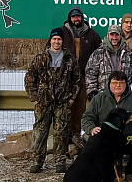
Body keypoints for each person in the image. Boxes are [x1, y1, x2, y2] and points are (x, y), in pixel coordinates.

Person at [25, 28, 81, 174]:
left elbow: (77, 80)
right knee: (40, 132)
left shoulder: (69, 59)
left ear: (62, 41)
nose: (57, 42)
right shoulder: (40, 58)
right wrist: (35, 98)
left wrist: (72, 98)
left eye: (59, 39)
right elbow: (30, 78)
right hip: (43, 102)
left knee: (61, 132)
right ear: (50, 40)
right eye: (54, 39)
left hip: (63, 102)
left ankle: (60, 161)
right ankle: (37, 161)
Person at [81, 70, 132, 181]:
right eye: (114, 83)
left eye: (121, 83)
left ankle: (131, 173)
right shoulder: (98, 99)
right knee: (94, 145)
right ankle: (104, 173)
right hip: (105, 139)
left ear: (126, 84)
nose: (118, 85)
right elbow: (86, 118)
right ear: (109, 84)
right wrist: (91, 128)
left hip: (126, 139)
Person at [61, 6, 101, 146]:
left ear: (82, 17)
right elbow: (51, 49)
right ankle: (63, 136)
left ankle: (76, 135)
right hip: (65, 77)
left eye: (78, 16)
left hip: (84, 76)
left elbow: (99, 55)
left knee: (80, 107)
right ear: (69, 18)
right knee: (64, 106)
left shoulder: (92, 35)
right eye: (73, 17)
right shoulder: (62, 33)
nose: (76, 19)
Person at [85, 24, 132, 100]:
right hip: (104, 97)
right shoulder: (98, 53)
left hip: (125, 97)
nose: (114, 38)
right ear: (107, 35)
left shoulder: (130, 53)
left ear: (120, 36)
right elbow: (90, 74)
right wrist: (92, 93)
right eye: (112, 35)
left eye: (117, 35)